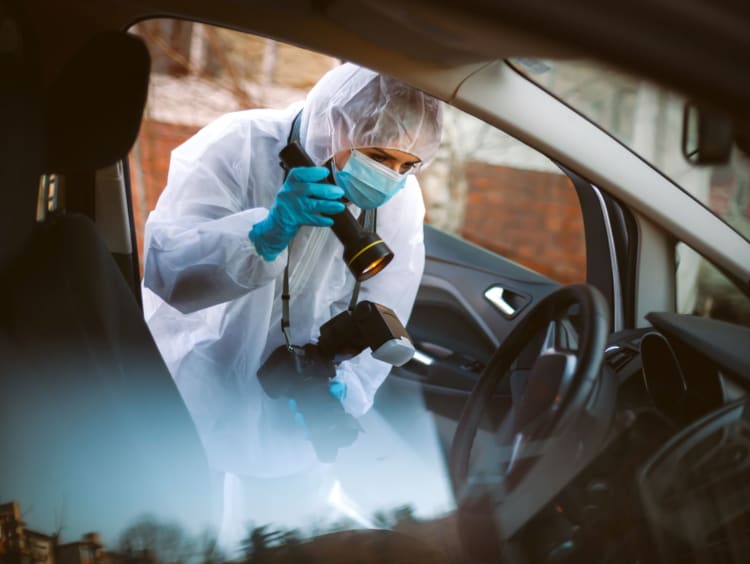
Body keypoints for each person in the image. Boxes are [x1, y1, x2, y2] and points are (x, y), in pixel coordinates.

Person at [141, 62, 442, 542]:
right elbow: (168, 272)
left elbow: (389, 306)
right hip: (192, 387)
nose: (392, 178)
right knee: (182, 534)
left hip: (291, 413)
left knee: (277, 543)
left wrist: (347, 387)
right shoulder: (237, 146)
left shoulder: (399, 202)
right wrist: (262, 236)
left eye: (409, 165)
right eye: (380, 157)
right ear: (334, 123)